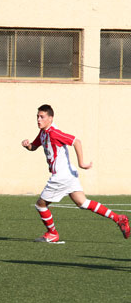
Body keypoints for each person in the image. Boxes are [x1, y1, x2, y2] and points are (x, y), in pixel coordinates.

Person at [21, 104, 129, 243]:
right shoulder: (43, 133)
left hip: (61, 176)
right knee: (83, 203)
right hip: (69, 174)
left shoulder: (54, 132)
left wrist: (81, 163)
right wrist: (27, 145)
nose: (38, 120)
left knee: (40, 205)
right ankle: (118, 218)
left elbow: (76, 141)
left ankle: (52, 233)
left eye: (42, 117)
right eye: (37, 117)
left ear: (50, 118)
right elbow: (34, 147)